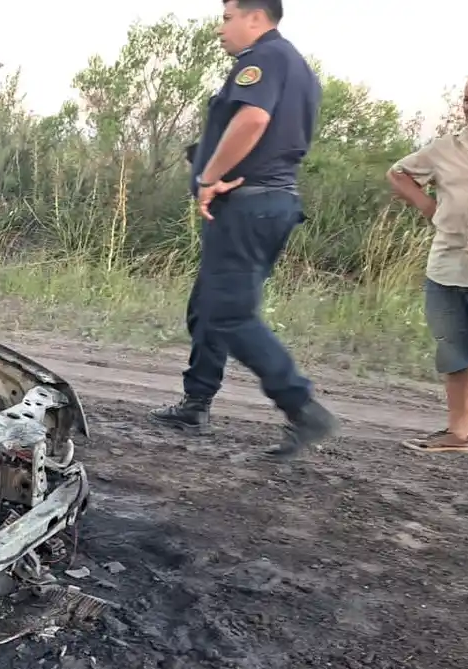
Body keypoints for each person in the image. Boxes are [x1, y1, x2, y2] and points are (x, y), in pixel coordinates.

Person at [147, 0, 337, 459]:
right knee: (211, 304)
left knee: (230, 313)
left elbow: (253, 119)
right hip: (269, 204)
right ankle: (197, 402)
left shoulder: (264, 59)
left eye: (228, 16)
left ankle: (301, 405)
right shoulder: (294, 65)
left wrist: (210, 177)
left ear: (256, 17)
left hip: (249, 207)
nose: (220, 28)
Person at [384, 67, 468, 454]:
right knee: (456, 353)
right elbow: (398, 173)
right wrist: (429, 208)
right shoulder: (445, 149)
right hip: (448, 267)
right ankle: (458, 435)